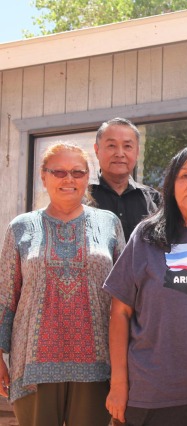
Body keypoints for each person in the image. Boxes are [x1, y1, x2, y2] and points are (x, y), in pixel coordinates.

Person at [104, 145, 187, 426]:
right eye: (184, 176)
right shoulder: (145, 235)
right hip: (155, 391)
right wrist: (118, 383)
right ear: (171, 185)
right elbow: (119, 312)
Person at [0, 143, 125, 426]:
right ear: (43, 177)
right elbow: (5, 296)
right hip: (31, 366)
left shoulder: (109, 223)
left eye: (77, 172)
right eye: (59, 172)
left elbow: (126, 296)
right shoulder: (21, 227)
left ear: (87, 178)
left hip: (99, 364)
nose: (69, 179)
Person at [91, 117, 161, 241]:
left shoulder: (154, 200)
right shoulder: (82, 197)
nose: (120, 153)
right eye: (111, 145)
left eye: (127, 146)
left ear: (137, 152)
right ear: (97, 150)